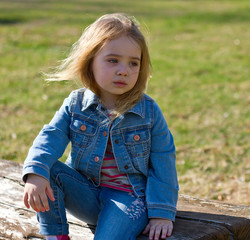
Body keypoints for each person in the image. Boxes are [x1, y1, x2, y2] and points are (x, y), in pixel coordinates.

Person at [22, 13, 178, 240]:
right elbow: (51, 135)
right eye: (113, 60)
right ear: (90, 60)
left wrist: (162, 213)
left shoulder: (148, 112)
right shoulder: (75, 104)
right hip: (86, 194)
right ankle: (56, 236)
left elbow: (164, 160)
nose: (123, 70)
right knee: (48, 169)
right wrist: (36, 172)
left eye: (133, 63)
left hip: (129, 199)